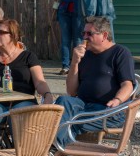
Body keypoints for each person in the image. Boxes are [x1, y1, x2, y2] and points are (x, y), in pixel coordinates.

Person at [55, 16, 135, 146]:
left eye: (89, 33)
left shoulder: (120, 53)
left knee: (69, 124)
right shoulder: (84, 54)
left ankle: (53, 155)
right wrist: (75, 61)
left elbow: (128, 85)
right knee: (62, 102)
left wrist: (117, 100)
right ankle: (54, 154)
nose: (85, 37)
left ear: (104, 35)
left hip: (108, 111)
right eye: (83, 33)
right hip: (84, 106)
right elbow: (71, 91)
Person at [0, 17, 53, 125]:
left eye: (1, 33)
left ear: (13, 36)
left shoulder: (28, 56)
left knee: (20, 119)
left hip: (23, 101)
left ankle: (20, 142)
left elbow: (39, 82)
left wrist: (47, 94)